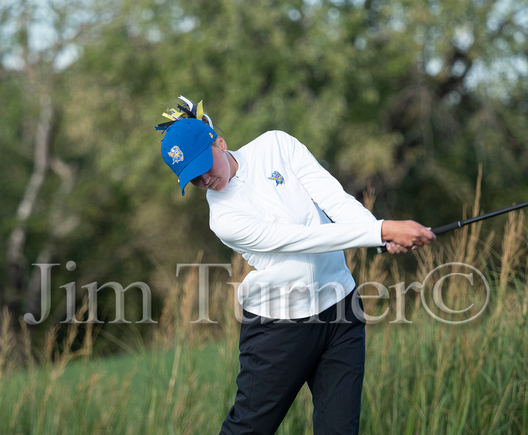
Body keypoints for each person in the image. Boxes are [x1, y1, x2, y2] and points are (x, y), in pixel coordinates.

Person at [156, 97, 435, 435]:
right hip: (280, 328)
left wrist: (378, 234)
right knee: (248, 430)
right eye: (193, 179)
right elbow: (303, 239)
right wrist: (382, 230)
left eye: (204, 166)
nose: (204, 181)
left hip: (341, 311)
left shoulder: (276, 144)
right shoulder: (224, 219)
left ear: (220, 141)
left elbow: (333, 198)